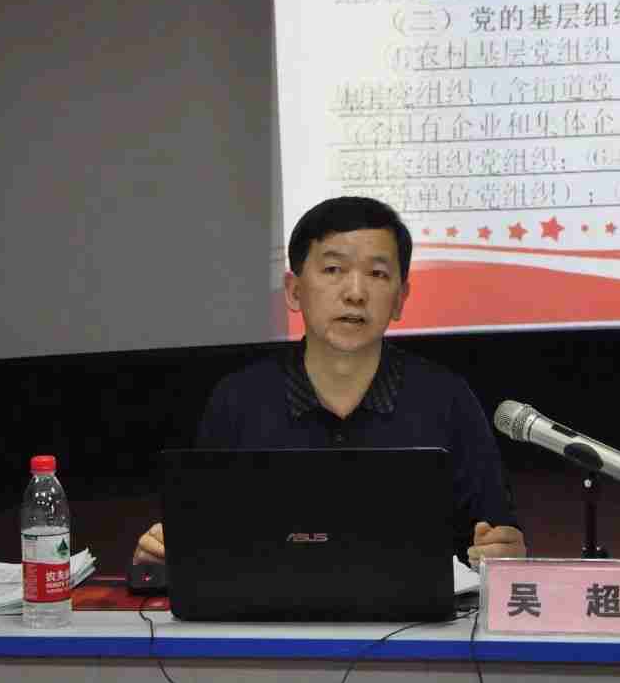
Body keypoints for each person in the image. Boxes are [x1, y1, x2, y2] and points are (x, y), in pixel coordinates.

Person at [133, 196, 526, 567]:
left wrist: (504, 552)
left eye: (377, 274)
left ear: (400, 298)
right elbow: (199, 543)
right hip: (269, 615)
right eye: (333, 270)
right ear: (294, 291)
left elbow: (496, 538)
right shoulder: (238, 400)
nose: (355, 293)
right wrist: (163, 560)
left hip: (416, 617)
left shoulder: (446, 399)